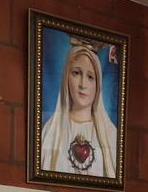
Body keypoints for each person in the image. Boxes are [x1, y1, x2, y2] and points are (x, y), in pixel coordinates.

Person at [41, 43, 117, 178]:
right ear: (66, 77)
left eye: (90, 77)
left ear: (97, 84)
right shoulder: (50, 132)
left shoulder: (110, 134)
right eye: (76, 73)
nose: (82, 84)